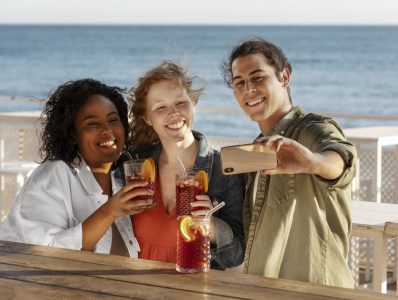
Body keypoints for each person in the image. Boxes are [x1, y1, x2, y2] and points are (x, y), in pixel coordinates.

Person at [222, 38, 357, 287]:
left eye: (258, 77)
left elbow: (341, 161)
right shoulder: (258, 149)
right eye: (239, 83)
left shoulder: (312, 129)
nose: (248, 89)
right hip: (266, 289)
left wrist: (313, 163)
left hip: (316, 291)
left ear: (284, 77)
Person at [0, 79, 153, 257]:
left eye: (113, 120)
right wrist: (110, 211)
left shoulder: (118, 184)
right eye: (92, 124)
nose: (107, 130)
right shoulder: (54, 175)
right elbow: (46, 253)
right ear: (72, 135)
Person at [124, 61, 245, 269]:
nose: (174, 113)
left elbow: (237, 255)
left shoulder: (224, 170)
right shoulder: (134, 164)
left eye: (181, 103)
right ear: (148, 118)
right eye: (160, 107)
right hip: (134, 286)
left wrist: (212, 226)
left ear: (193, 104)